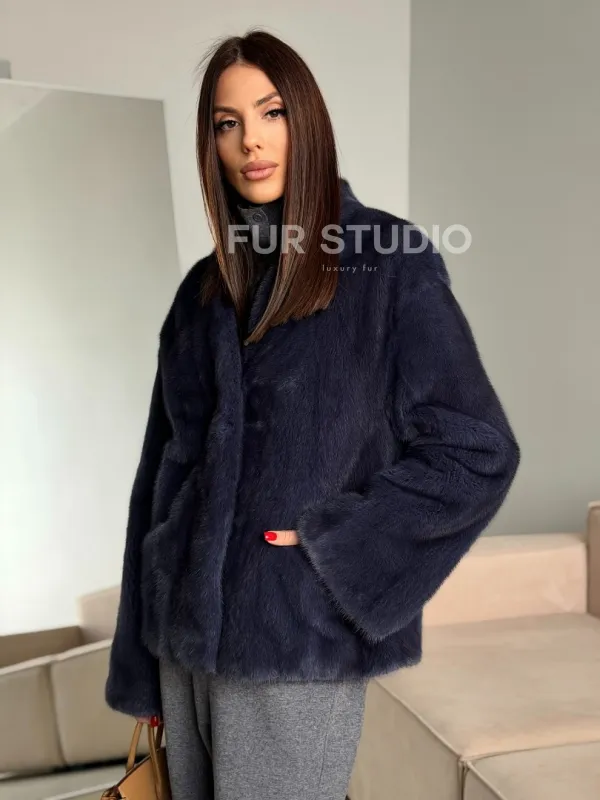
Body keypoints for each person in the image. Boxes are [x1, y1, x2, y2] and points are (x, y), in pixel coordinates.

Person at [105, 28, 520, 800]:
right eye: (227, 123)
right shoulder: (200, 295)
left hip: (295, 633)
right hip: (181, 642)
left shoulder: (386, 261)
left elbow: (476, 448)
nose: (250, 141)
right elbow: (156, 479)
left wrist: (337, 548)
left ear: (307, 122)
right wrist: (139, 665)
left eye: (271, 113)